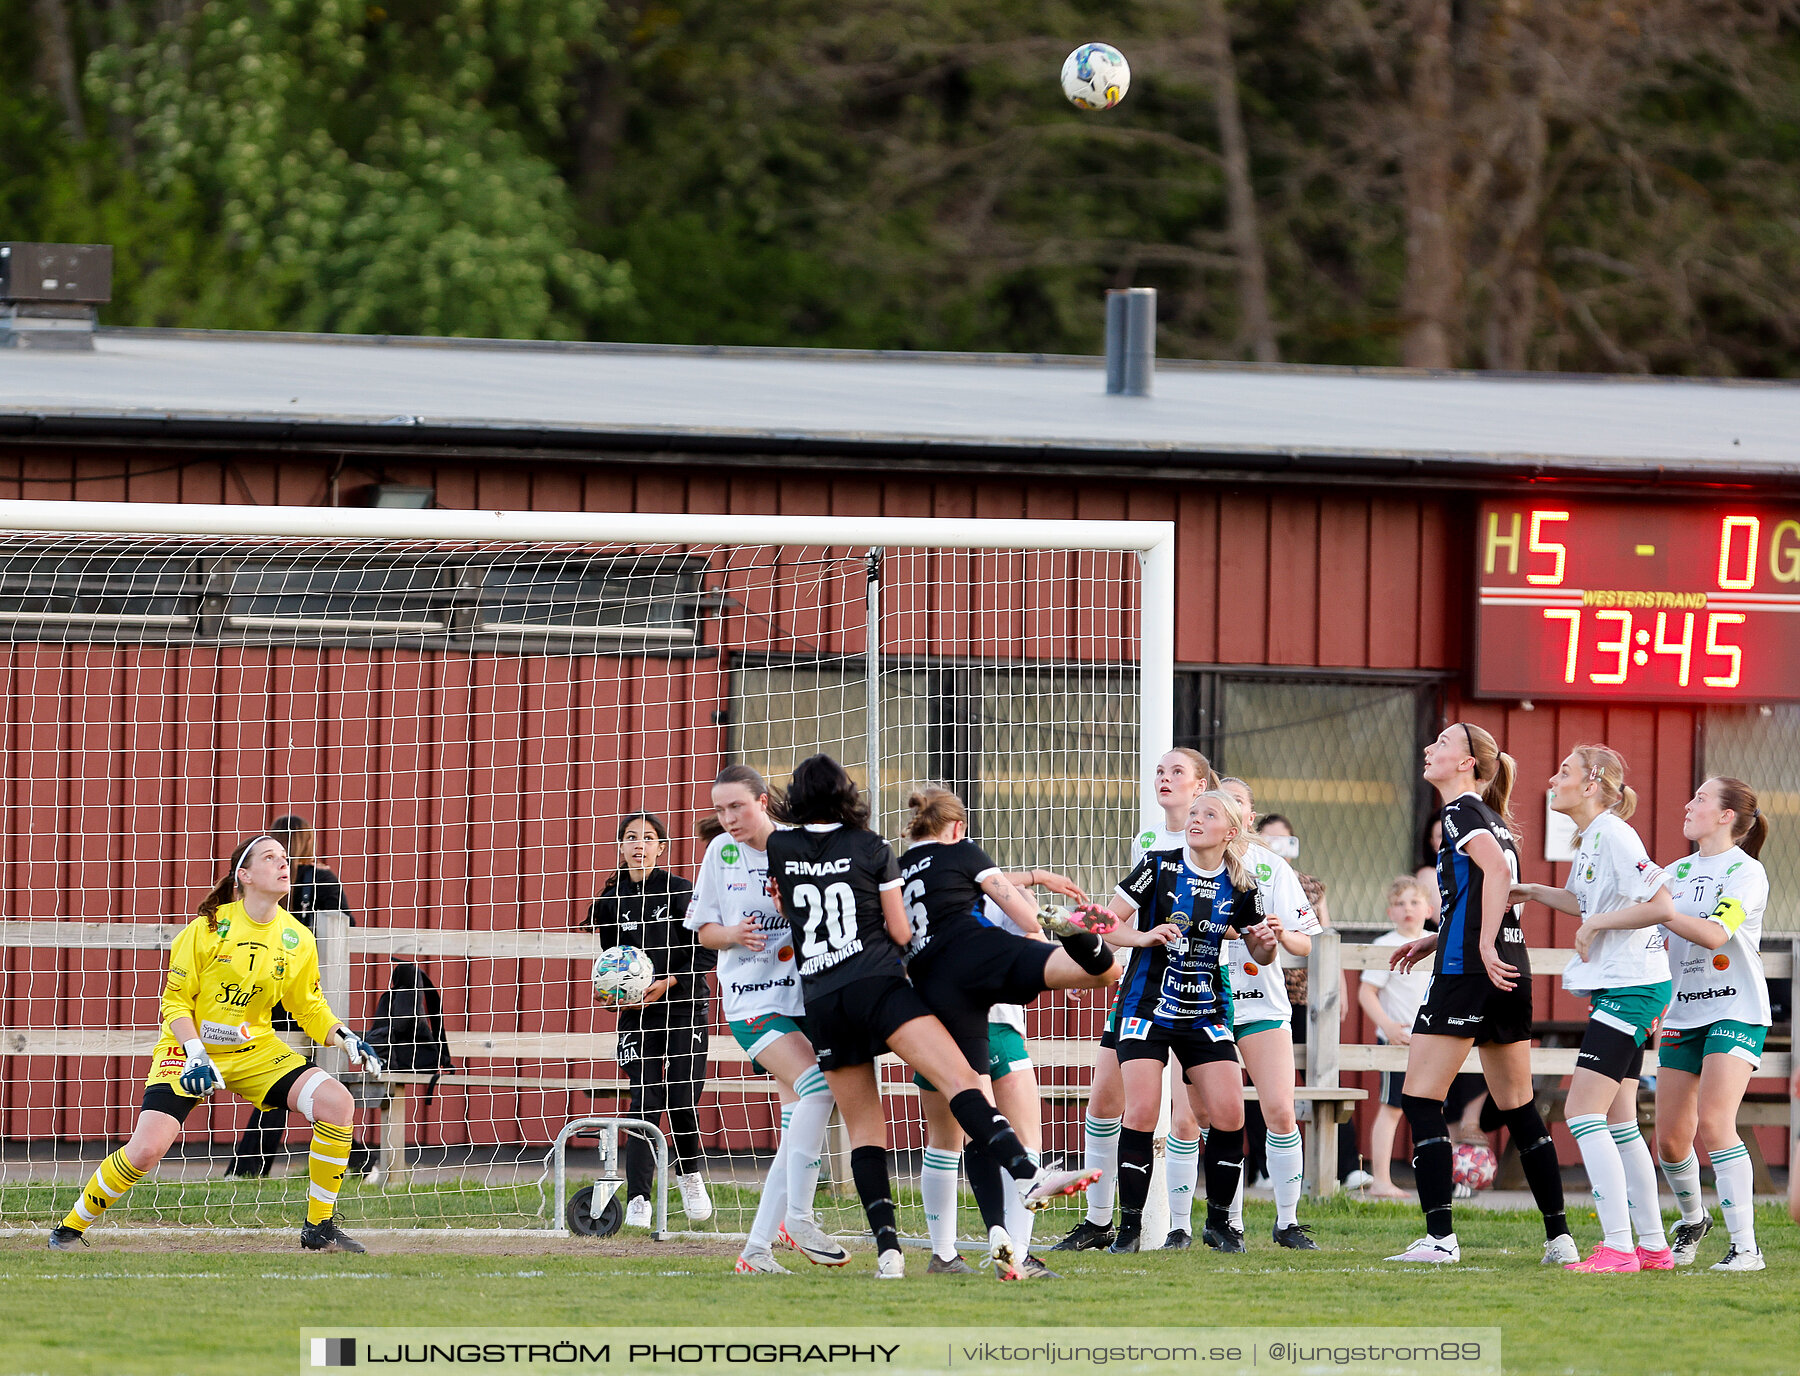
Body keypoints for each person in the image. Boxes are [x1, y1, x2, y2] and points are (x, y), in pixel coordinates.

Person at [763, 754, 1098, 1280]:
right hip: (887, 987)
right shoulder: (874, 848)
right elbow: (901, 932)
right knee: (967, 1084)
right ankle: (1028, 1180)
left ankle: (893, 1254)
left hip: (824, 997)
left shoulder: (780, 847)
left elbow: (797, 911)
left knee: (868, 1129)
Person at [48, 834, 384, 1252]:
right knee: (147, 1150)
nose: (284, 864)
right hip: (187, 1051)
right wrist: (195, 1054)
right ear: (243, 875)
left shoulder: (297, 939)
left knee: (337, 1103)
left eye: (285, 857)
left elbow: (309, 1007)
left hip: (255, 1051)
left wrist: (345, 1035)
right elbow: (174, 1003)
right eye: (270, 857)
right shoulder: (207, 928)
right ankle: (69, 1228)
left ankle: (318, 1228)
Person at [899, 787, 1119, 1278]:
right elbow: (1015, 904)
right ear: (958, 829)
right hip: (987, 987)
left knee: (961, 1130)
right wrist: (1051, 940)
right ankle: (1016, 1251)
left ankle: (954, 1251)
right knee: (1104, 972)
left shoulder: (902, 871)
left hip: (934, 1002)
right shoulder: (972, 863)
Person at [1384, 722, 1575, 1266]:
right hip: (1508, 967)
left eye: (1442, 743)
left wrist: (1479, 944)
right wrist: (1437, 937)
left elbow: (1494, 873)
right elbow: (1493, 890)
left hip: (1473, 969)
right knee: (1518, 1106)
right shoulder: (1490, 818)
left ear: (1467, 763)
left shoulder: (1461, 813)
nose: (1429, 748)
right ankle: (1559, 1239)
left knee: (1420, 1098)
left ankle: (1440, 1240)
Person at [1570, 775, 1774, 1272]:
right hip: (1682, 1012)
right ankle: (1692, 1220)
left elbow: (1711, 934)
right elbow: (1610, 907)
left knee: (1715, 1123)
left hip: (1736, 1008)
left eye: (1701, 799)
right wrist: (1535, 892)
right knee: (1669, 1140)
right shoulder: (1676, 870)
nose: (1688, 804)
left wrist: (1654, 911)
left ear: (1726, 816)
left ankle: (1745, 1248)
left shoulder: (1746, 873)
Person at [1511, 746, 1673, 1274]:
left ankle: (1619, 1249)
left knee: (1582, 1114)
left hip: (1630, 990)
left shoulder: (1616, 835)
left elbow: (1661, 905)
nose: (1552, 780)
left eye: (1563, 772)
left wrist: (1598, 926)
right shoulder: (1593, 837)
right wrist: (1534, 892)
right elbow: (1586, 903)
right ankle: (1650, 1247)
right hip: (1624, 989)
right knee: (1622, 1125)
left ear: (1592, 784)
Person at [1096, 790, 1279, 1254]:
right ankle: (1129, 1229)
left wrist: (1267, 941)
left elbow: (1260, 953)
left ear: (1230, 831)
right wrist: (1143, 935)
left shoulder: (1241, 884)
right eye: (1193, 813)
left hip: (1205, 1010)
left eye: (1208, 814)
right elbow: (1100, 922)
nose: (1195, 820)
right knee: (1139, 1112)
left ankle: (1218, 1224)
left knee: (1230, 1113)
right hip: (1145, 1006)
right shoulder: (1158, 865)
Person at [1052, 746, 1216, 1253]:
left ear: (1202, 785)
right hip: (1142, 990)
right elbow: (1114, 919)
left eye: (1177, 772)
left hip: (1199, 993)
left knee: (1190, 1115)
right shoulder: (1149, 846)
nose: (1164, 779)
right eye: (1159, 771)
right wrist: (1098, 956)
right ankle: (1100, 1220)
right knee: (1106, 1099)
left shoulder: (1229, 849)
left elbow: (1249, 926)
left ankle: (1182, 1226)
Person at [686, 764, 848, 1273]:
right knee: (819, 1090)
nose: (728, 818)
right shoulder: (721, 853)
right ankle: (796, 1218)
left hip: (808, 999)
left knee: (801, 1116)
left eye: (736, 806)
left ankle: (759, 1249)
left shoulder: (798, 847)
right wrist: (732, 934)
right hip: (752, 1002)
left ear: (763, 801)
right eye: (719, 810)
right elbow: (703, 931)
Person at [581, 811, 714, 1229]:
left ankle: (689, 1176)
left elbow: (706, 954)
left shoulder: (681, 893)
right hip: (639, 1016)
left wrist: (668, 981)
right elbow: (612, 965)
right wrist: (616, 995)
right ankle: (639, 1197)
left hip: (684, 1007)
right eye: (632, 837)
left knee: (680, 1096)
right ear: (621, 847)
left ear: (661, 847)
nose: (640, 844)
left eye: (649, 838)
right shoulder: (610, 901)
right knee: (644, 1099)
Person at [1214, 777, 1325, 1247]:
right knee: (1208, 1116)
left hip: (1262, 1001)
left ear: (1249, 816)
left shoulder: (1271, 866)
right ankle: (1219, 1223)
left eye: (1239, 803)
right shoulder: (1180, 863)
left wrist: (1278, 934)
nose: (1230, 811)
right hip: (1199, 1000)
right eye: (1220, 802)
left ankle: (1287, 1222)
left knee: (1280, 1109)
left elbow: (1306, 943)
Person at [225, 813, 360, 1180]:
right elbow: (348, 926)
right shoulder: (321, 879)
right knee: (300, 1082)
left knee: (295, 1082)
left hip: (274, 995)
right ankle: (357, 1159)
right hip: (314, 991)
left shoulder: (301, 882)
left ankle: (249, 1167)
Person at [1358, 875, 1434, 1200]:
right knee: (1392, 1108)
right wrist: (1387, 1026)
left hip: (1431, 1039)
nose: (1408, 909)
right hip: (1397, 1039)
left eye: (1415, 902)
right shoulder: (1384, 944)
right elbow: (1366, 992)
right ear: (1391, 911)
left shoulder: (1436, 941)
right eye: (1400, 903)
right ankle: (1381, 1181)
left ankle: (1433, 1177)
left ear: (1429, 908)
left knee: (1430, 1108)